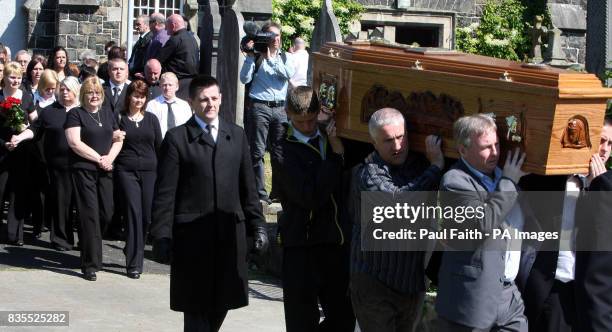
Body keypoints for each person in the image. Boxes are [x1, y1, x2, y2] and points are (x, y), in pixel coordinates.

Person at [150, 75, 268, 332]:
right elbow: (165, 193)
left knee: (220, 305)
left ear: (221, 99)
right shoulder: (177, 139)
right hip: (192, 240)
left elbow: (249, 189)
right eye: (203, 100)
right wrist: (161, 235)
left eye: (214, 98)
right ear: (191, 102)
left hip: (229, 238)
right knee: (196, 310)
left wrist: (257, 226)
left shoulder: (236, 136)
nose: (210, 104)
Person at [349, 108, 443, 332]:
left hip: (412, 281)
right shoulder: (368, 174)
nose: (397, 146)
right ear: (374, 143)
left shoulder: (418, 162)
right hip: (374, 280)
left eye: (401, 137)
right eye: (388, 140)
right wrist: (436, 167)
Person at [436, 114, 533, 331]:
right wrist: (508, 182)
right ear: (463, 150)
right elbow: (482, 224)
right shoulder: (455, 181)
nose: (495, 153)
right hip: (471, 298)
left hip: (508, 294)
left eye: (497, 144)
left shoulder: (506, 175)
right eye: (486, 147)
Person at [271, 86, 354, 331]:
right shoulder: (281, 148)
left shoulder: (331, 135)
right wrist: (336, 157)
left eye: (311, 120)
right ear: (287, 113)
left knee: (344, 319)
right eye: (300, 122)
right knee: (301, 321)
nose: (307, 127)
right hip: (301, 244)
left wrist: (337, 147)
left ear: (318, 112)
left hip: (335, 242)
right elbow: (309, 196)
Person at [522, 116, 612, 332]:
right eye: (601, 141)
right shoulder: (554, 180)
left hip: (593, 299)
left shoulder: (609, 188)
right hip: (553, 287)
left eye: (610, 144)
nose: (605, 149)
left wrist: (602, 186)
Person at [10, 77, 81, 251]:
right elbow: (35, 130)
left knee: (82, 206)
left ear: (76, 91)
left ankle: (86, 239)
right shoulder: (50, 111)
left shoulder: (83, 110)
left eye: (68, 89)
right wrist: (19, 137)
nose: (64, 92)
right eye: (61, 89)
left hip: (81, 165)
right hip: (58, 166)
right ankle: (61, 239)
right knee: (61, 204)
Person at [65, 76, 123, 281]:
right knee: (89, 214)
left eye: (97, 92)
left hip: (105, 170)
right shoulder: (75, 114)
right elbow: (74, 143)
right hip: (84, 169)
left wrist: (110, 158)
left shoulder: (108, 113)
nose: (94, 96)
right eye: (90, 92)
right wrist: (99, 158)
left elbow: (118, 138)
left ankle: (89, 247)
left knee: (107, 213)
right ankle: (90, 264)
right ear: (83, 95)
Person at [239, 21, 294, 204]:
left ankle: (278, 193)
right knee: (257, 151)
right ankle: (259, 194)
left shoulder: (285, 57)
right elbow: (244, 78)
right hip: (259, 107)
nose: (275, 39)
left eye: (278, 36)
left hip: (280, 108)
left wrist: (271, 59)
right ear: (264, 37)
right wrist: (249, 56)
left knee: (279, 153)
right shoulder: (256, 57)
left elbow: (288, 74)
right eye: (271, 36)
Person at [113, 80, 161, 279]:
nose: (139, 100)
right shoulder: (120, 118)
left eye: (142, 96)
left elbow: (160, 146)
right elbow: (113, 142)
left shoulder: (151, 119)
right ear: (128, 97)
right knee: (133, 213)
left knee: (146, 216)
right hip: (127, 171)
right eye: (135, 96)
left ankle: (132, 247)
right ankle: (134, 263)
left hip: (150, 171)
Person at [0, 62, 35, 245]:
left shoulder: (27, 97)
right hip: (1, 150)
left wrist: (23, 134)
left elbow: (35, 122)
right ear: (4, 78)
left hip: (21, 150)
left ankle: (15, 234)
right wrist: (3, 143)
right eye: (12, 77)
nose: (15, 80)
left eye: (19, 77)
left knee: (17, 192)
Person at [156, 13, 199, 100]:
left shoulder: (174, 39)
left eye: (167, 27)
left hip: (177, 82)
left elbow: (159, 59)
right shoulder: (192, 38)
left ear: (173, 25)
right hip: (192, 82)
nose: (166, 31)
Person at [145, 72, 191, 137]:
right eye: (164, 85)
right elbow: (148, 128)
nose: (167, 88)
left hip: (180, 143)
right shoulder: (152, 105)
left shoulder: (184, 106)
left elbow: (188, 128)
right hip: (159, 144)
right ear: (160, 86)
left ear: (177, 86)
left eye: (170, 85)